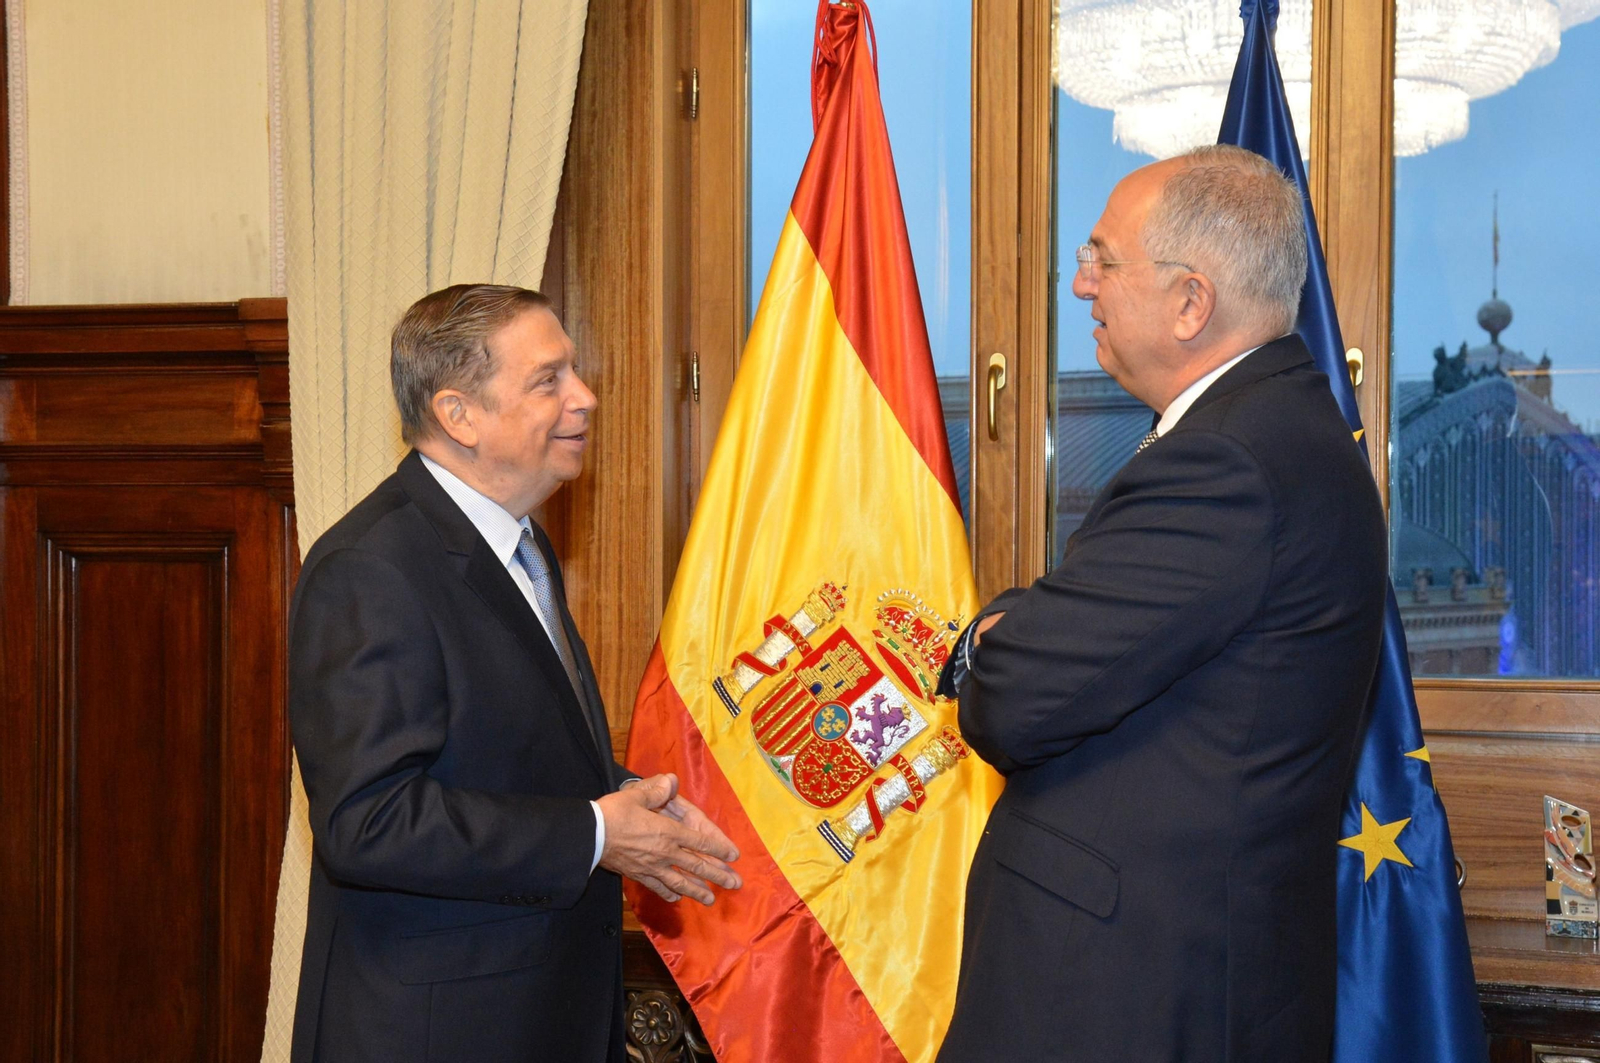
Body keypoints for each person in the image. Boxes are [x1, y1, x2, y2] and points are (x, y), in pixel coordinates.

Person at [935, 146, 1387, 1063]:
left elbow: (1011, 699)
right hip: (1182, 982)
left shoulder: (1226, 460)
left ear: (1191, 303)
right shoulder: (1275, 434)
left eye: (1102, 259)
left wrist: (990, 637)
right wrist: (1035, 622)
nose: (1081, 285)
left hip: (1129, 1000)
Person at [288, 284, 741, 1063]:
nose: (585, 397)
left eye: (574, 372)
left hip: (537, 1015)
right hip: (437, 1033)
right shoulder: (370, 568)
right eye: (548, 380)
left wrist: (632, 803)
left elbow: (505, 753)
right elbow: (368, 820)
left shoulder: (519, 544)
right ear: (459, 415)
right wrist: (595, 832)